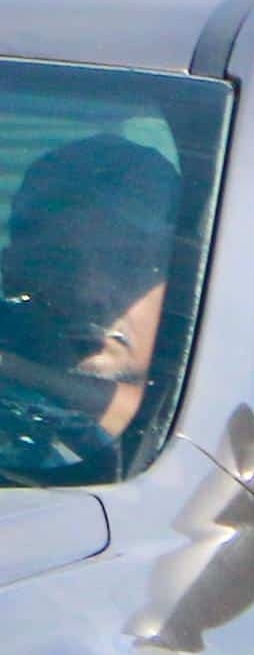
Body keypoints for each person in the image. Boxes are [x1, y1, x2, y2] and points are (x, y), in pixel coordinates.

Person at [0, 134, 181, 457]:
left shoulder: (250, 402)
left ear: (185, 281)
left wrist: (22, 373)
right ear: (13, 270)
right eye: (60, 262)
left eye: (128, 263)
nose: (88, 293)